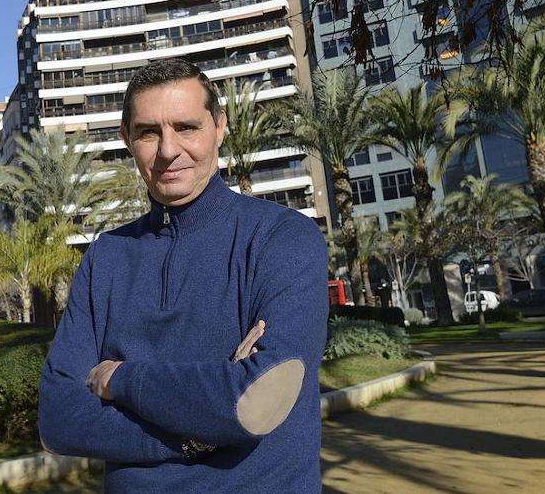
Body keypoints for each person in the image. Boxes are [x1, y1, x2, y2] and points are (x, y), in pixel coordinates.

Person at [37, 59, 328, 492]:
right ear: (126, 139)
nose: (168, 150)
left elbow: (257, 399)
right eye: (148, 132)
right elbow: (58, 419)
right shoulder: (105, 258)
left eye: (187, 127)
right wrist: (198, 434)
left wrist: (121, 379)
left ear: (219, 127)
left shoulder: (282, 238)